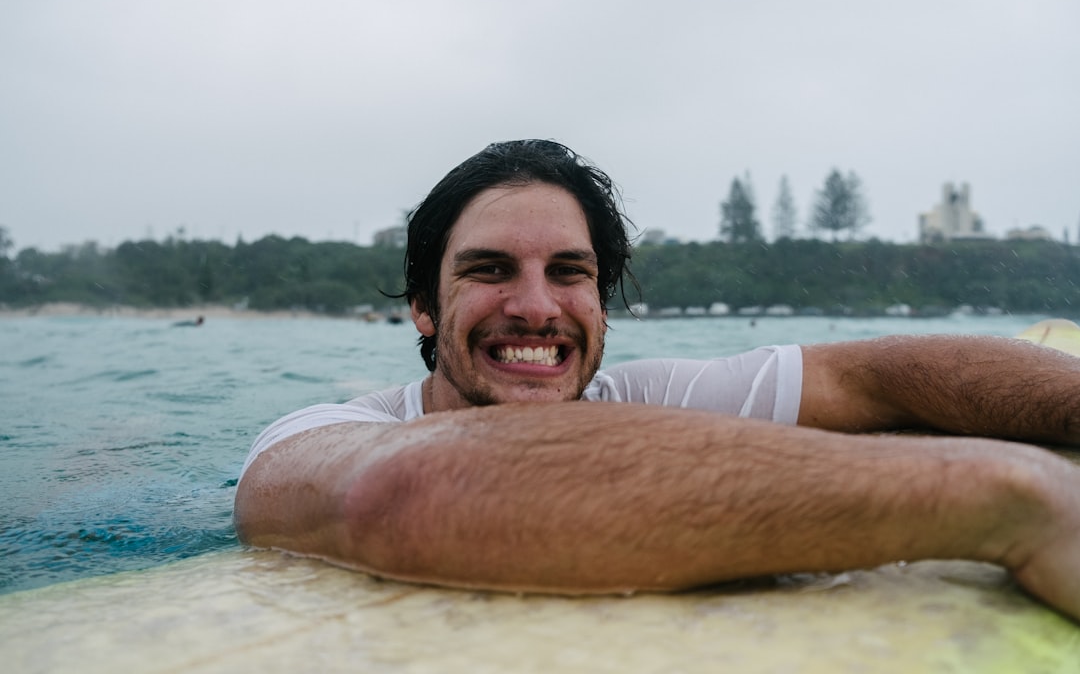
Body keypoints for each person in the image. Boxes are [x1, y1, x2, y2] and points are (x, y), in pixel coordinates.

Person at [234, 139, 1080, 620]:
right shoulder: (311, 436)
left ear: (599, 305)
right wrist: (1018, 498)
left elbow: (887, 373)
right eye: (490, 269)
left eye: (569, 273)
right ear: (423, 307)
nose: (536, 308)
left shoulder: (641, 398)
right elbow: (402, 494)